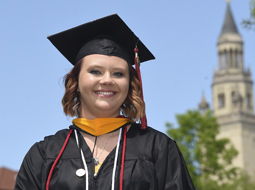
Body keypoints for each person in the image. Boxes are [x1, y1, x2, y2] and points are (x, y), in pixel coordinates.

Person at [14, 14, 195, 190]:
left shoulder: (158, 148)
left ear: (130, 84)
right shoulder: (45, 154)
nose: (107, 80)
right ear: (75, 81)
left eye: (118, 73)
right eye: (95, 71)